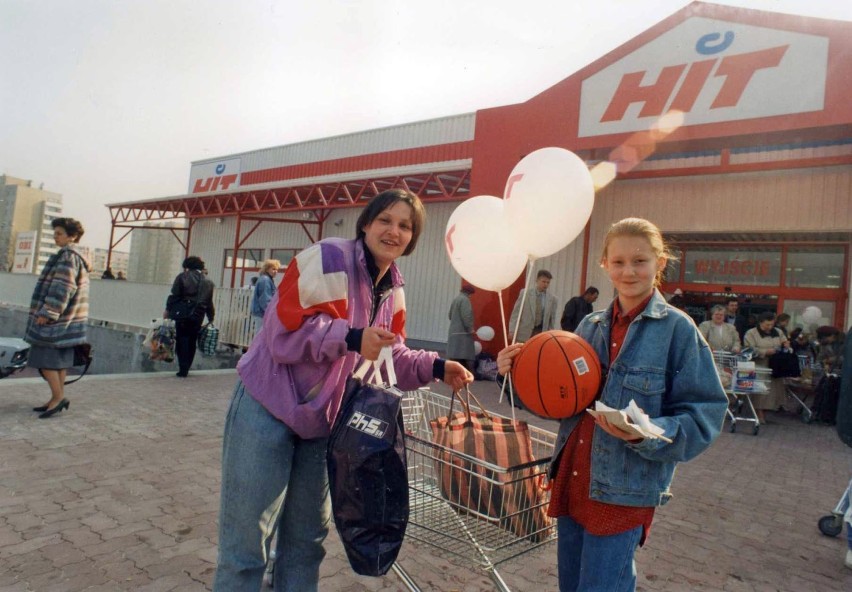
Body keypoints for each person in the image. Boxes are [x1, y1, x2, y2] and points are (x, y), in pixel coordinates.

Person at [213, 189, 473, 591]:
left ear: (413, 238)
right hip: (268, 408)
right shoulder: (326, 257)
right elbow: (281, 334)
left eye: (405, 226)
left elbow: (390, 354)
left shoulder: (394, 289)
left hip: (323, 426)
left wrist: (438, 366)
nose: (394, 231)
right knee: (247, 546)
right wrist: (351, 338)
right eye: (385, 219)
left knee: (306, 543)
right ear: (366, 223)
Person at [496, 217, 727, 592]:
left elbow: (705, 416)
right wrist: (515, 376)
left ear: (659, 263)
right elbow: (561, 403)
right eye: (618, 262)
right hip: (573, 481)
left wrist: (644, 434)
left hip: (622, 493)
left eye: (640, 261)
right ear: (604, 265)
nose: (629, 271)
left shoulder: (678, 331)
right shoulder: (589, 326)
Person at [25, 218, 92, 419]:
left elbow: (63, 287)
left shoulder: (68, 257)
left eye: (59, 233)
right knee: (59, 362)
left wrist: (48, 313)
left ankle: (58, 397)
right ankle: (56, 397)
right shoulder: (75, 256)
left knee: (45, 359)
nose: (55, 237)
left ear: (72, 236)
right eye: (54, 233)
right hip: (69, 319)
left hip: (58, 320)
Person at [164, 256, 215, 378]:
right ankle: (187, 367)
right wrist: (211, 316)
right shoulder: (208, 281)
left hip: (183, 313)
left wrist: (167, 310)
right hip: (199, 315)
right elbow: (209, 302)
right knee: (192, 340)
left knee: (182, 339)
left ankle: (182, 368)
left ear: (187, 266)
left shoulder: (182, 277)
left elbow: (174, 295)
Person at [743, 311, 790, 422]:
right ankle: (760, 413)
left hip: (776, 364)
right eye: (767, 325)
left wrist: (786, 344)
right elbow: (748, 349)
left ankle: (770, 409)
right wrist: (764, 352)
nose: (769, 327)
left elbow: (784, 341)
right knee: (761, 389)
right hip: (760, 364)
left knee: (773, 390)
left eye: (771, 324)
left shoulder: (778, 331)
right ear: (760, 323)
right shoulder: (751, 333)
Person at [509, 269, 558, 343]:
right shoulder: (525, 293)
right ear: (537, 280)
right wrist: (512, 330)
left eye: (548, 282)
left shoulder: (553, 299)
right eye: (543, 281)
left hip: (540, 333)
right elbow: (516, 313)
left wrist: (550, 335)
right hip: (523, 333)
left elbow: (552, 320)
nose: (546, 284)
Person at [447, 283, 476, 372]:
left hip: (454, 331)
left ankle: (454, 371)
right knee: (464, 353)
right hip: (463, 333)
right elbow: (467, 316)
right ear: (469, 293)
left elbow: (450, 315)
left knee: (455, 354)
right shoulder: (465, 300)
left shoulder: (456, 299)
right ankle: (466, 372)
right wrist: (470, 329)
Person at [250, 258, 280, 333]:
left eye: (277, 269)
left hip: (261, 313)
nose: (276, 271)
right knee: (261, 336)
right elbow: (265, 299)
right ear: (267, 269)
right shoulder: (265, 280)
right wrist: (271, 313)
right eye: (273, 269)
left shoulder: (266, 279)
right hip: (262, 314)